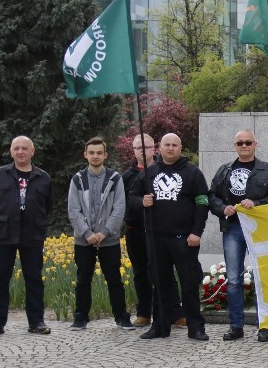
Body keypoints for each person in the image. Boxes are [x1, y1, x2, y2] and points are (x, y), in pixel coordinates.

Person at [130, 133, 210, 341]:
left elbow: (202, 203)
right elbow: (132, 196)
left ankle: (196, 327)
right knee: (160, 283)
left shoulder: (193, 173)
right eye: (167, 145)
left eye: (175, 145)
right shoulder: (149, 172)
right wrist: (142, 202)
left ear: (181, 147)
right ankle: (160, 327)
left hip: (184, 238)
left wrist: (196, 232)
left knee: (189, 283)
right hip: (156, 238)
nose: (171, 148)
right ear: (159, 147)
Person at [209, 130, 268, 342]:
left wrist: (257, 204)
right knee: (233, 279)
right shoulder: (224, 170)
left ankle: (265, 326)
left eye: (248, 142)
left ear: (255, 144)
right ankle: (236, 326)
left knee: (263, 278)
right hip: (232, 229)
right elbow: (211, 196)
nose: (244, 146)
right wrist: (223, 208)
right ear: (235, 145)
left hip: (260, 230)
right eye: (240, 143)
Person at [0, 136, 54, 337]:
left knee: (34, 278)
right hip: (3, 234)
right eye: (16, 148)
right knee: (0, 279)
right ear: (11, 151)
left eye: (24, 148)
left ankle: (36, 321)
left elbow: (48, 205)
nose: (20, 152)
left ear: (33, 151)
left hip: (32, 233)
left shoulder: (43, 177)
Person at [67, 137, 134, 331]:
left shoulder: (114, 178)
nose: (95, 156)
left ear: (105, 155)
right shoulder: (78, 179)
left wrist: (104, 232)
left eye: (99, 153)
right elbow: (73, 210)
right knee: (83, 278)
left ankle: (121, 317)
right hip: (83, 239)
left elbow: (119, 207)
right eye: (92, 153)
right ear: (85, 155)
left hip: (109, 239)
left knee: (114, 278)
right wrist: (87, 233)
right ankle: (80, 317)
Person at [122, 134, 183, 328]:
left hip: (159, 230)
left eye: (146, 147)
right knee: (141, 272)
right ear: (133, 151)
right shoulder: (127, 177)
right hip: (136, 229)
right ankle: (144, 312)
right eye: (138, 148)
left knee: (164, 272)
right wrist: (141, 202)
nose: (142, 151)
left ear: (154, 149)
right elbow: (125, 202)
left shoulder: (162, 171)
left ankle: (174, 312)